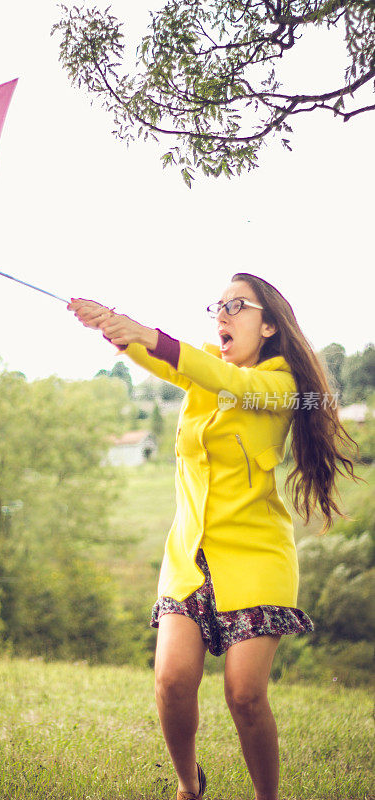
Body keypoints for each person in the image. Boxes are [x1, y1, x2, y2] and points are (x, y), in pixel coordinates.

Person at [67, 273, 358, 800]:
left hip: (255, 555)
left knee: (245, 695)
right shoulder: (206, 371)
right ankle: (188, 786)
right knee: (172, 682)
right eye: (216, 307)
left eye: (236, 306)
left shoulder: (281, 385)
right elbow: (165, 361)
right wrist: (112, 327)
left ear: (268, 324)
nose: (221, 315)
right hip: (190, 551)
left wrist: (147, 333)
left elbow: (231, 384)